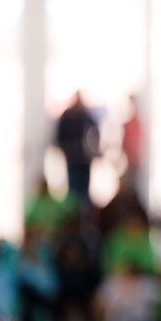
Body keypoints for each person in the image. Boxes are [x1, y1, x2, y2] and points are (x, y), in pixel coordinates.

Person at [54, 92, 99, 230]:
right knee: (73, 193)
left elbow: (95, 134)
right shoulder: (68, 116)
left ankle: (84, 222)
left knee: (84, 194)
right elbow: (59, 136)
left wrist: (92, 151)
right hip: (73, 159)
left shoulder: (86, 115)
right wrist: (67, 149)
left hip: (84, 161)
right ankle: (73, 222)